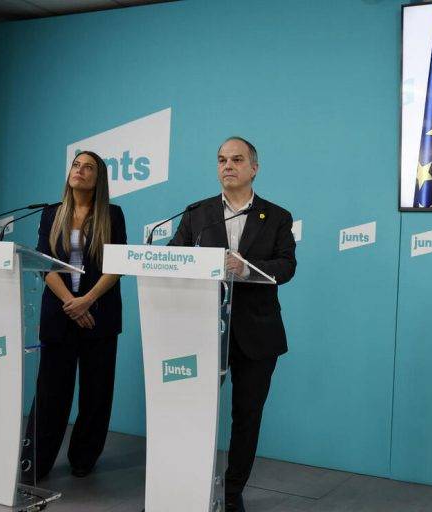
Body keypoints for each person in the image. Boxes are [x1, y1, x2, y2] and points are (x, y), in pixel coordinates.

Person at [168, 136, 296, 512]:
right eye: (222, 159)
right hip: (203, 329)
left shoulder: (276, 216)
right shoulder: (197, 213)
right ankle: (188, 484)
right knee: (194, 411)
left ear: (253, 168)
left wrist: (247, 268)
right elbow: (176, 256)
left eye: (237, 160)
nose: (228, 166)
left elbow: (287, 266)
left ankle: (232, 491)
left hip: (257, 333)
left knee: (246, 416)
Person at [23, 151, 126, 482]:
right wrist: (71, 302)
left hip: (100, 315)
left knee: (96, 395)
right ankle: (35, 463)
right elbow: (44, 263)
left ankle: (84, 459)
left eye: (88, 168)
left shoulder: (113, 214)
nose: (79, 171)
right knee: (51, 394)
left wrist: (87, 300)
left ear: (98, 179)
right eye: (76, 165)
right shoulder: (52, 213)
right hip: (60, 314)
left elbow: (116, 266)